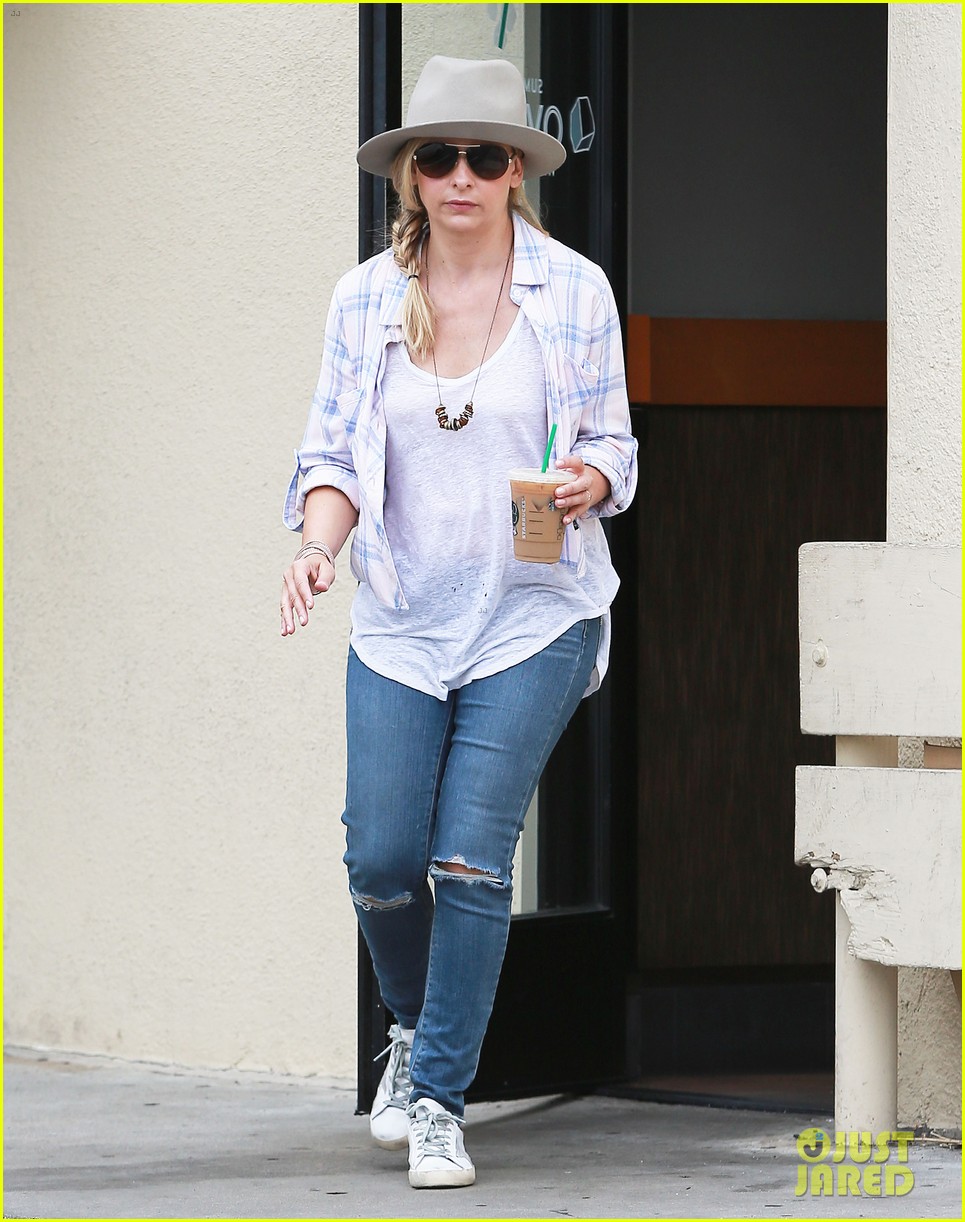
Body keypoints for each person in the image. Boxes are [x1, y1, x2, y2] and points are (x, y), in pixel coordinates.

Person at [280, 55, 637, 1190]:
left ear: (516, 171)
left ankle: (437, 1098)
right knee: (382, 858)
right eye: (438, 157)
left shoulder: (572, 291)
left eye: (485, 157)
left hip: (534, 612)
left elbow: (613, 446)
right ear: (412, 177)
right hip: (401, 614)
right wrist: (316, 549)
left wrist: (586, 479)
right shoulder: (365, 298)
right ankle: (412, 1024)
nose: (461, 177)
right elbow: (333, 455)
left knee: (469, 857)